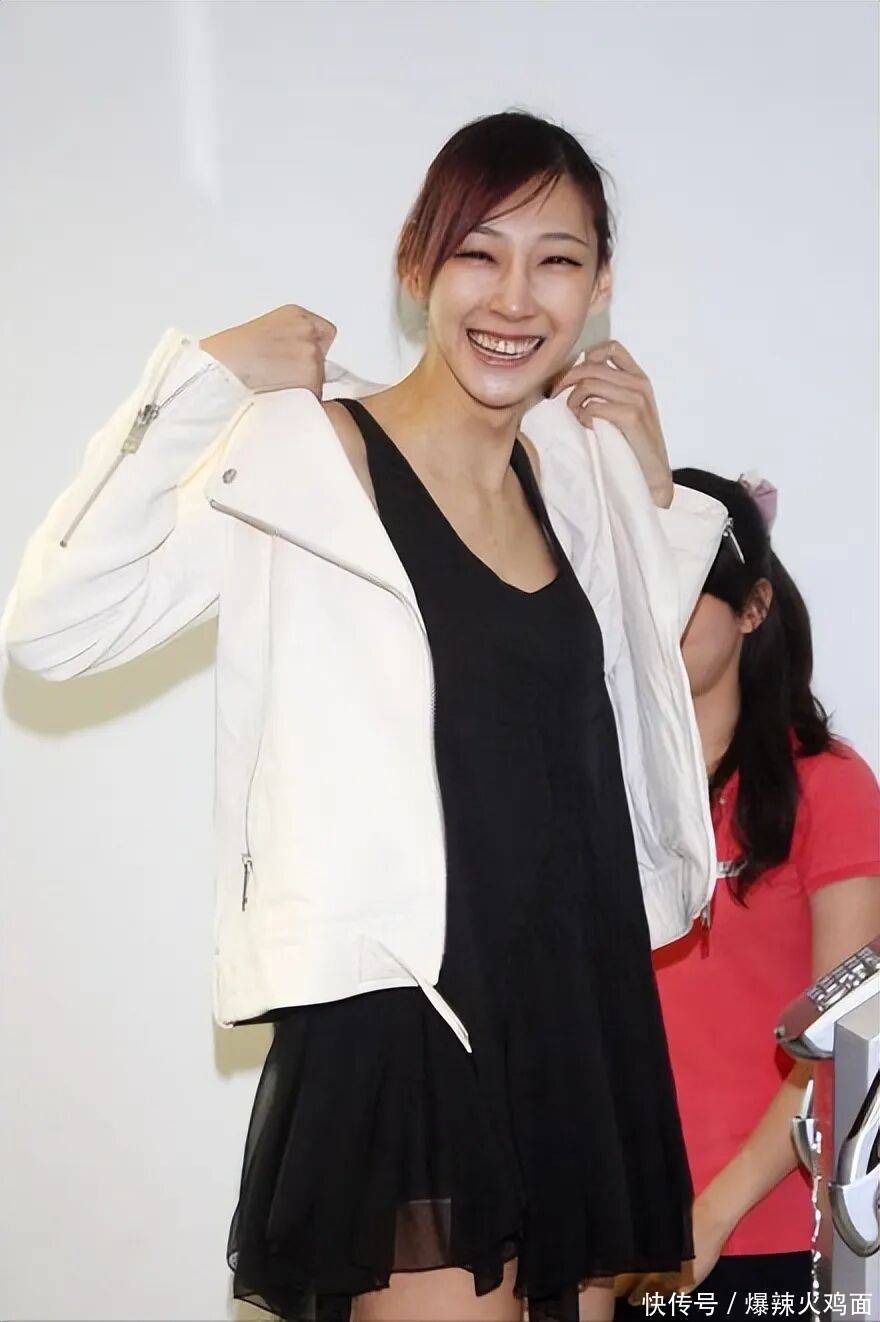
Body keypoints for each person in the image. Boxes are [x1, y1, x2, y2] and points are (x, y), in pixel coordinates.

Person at [2, 111, 729, 1322]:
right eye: (478, 252)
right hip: (410, 1017)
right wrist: (201, 381)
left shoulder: (567, 471)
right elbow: (54, 627)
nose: (514, 297)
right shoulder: (309, 457)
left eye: (555, 259)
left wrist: (646, 477)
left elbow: (627, 702)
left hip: (573, 1011)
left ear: (599, 286)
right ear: (414, 264)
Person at [612, 470, 880, 1320]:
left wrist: (712, 1214)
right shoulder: (603, 788)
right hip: (614, 1229)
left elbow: (847, 1040)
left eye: (684, 589)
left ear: (753, 608)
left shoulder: (826, 785)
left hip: (772, 1235)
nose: (657, 613)